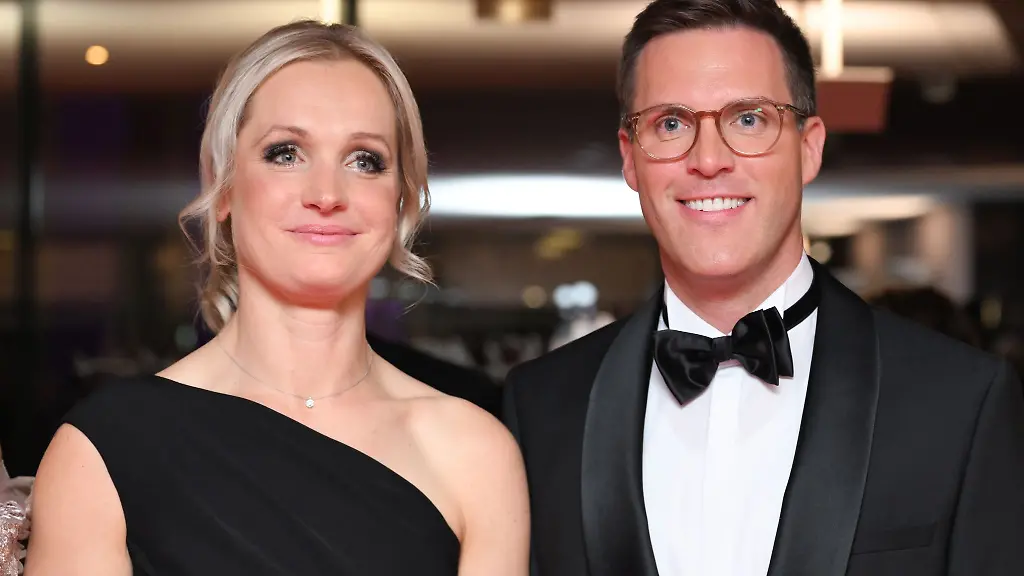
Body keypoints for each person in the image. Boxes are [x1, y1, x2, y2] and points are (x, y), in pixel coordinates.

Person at [501, 1, 1024, 575]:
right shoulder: (542, 407)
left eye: (748, 119)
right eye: (670, 124)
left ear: (809, 147)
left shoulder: (960, 400)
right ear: (631, 158)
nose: (708, 160)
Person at [26, 20, 529, 576]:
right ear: (222, 186)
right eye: (285, 153)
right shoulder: (104, 450)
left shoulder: (474, 451)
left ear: (400, 199)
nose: (326, 194)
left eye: (365, 160)